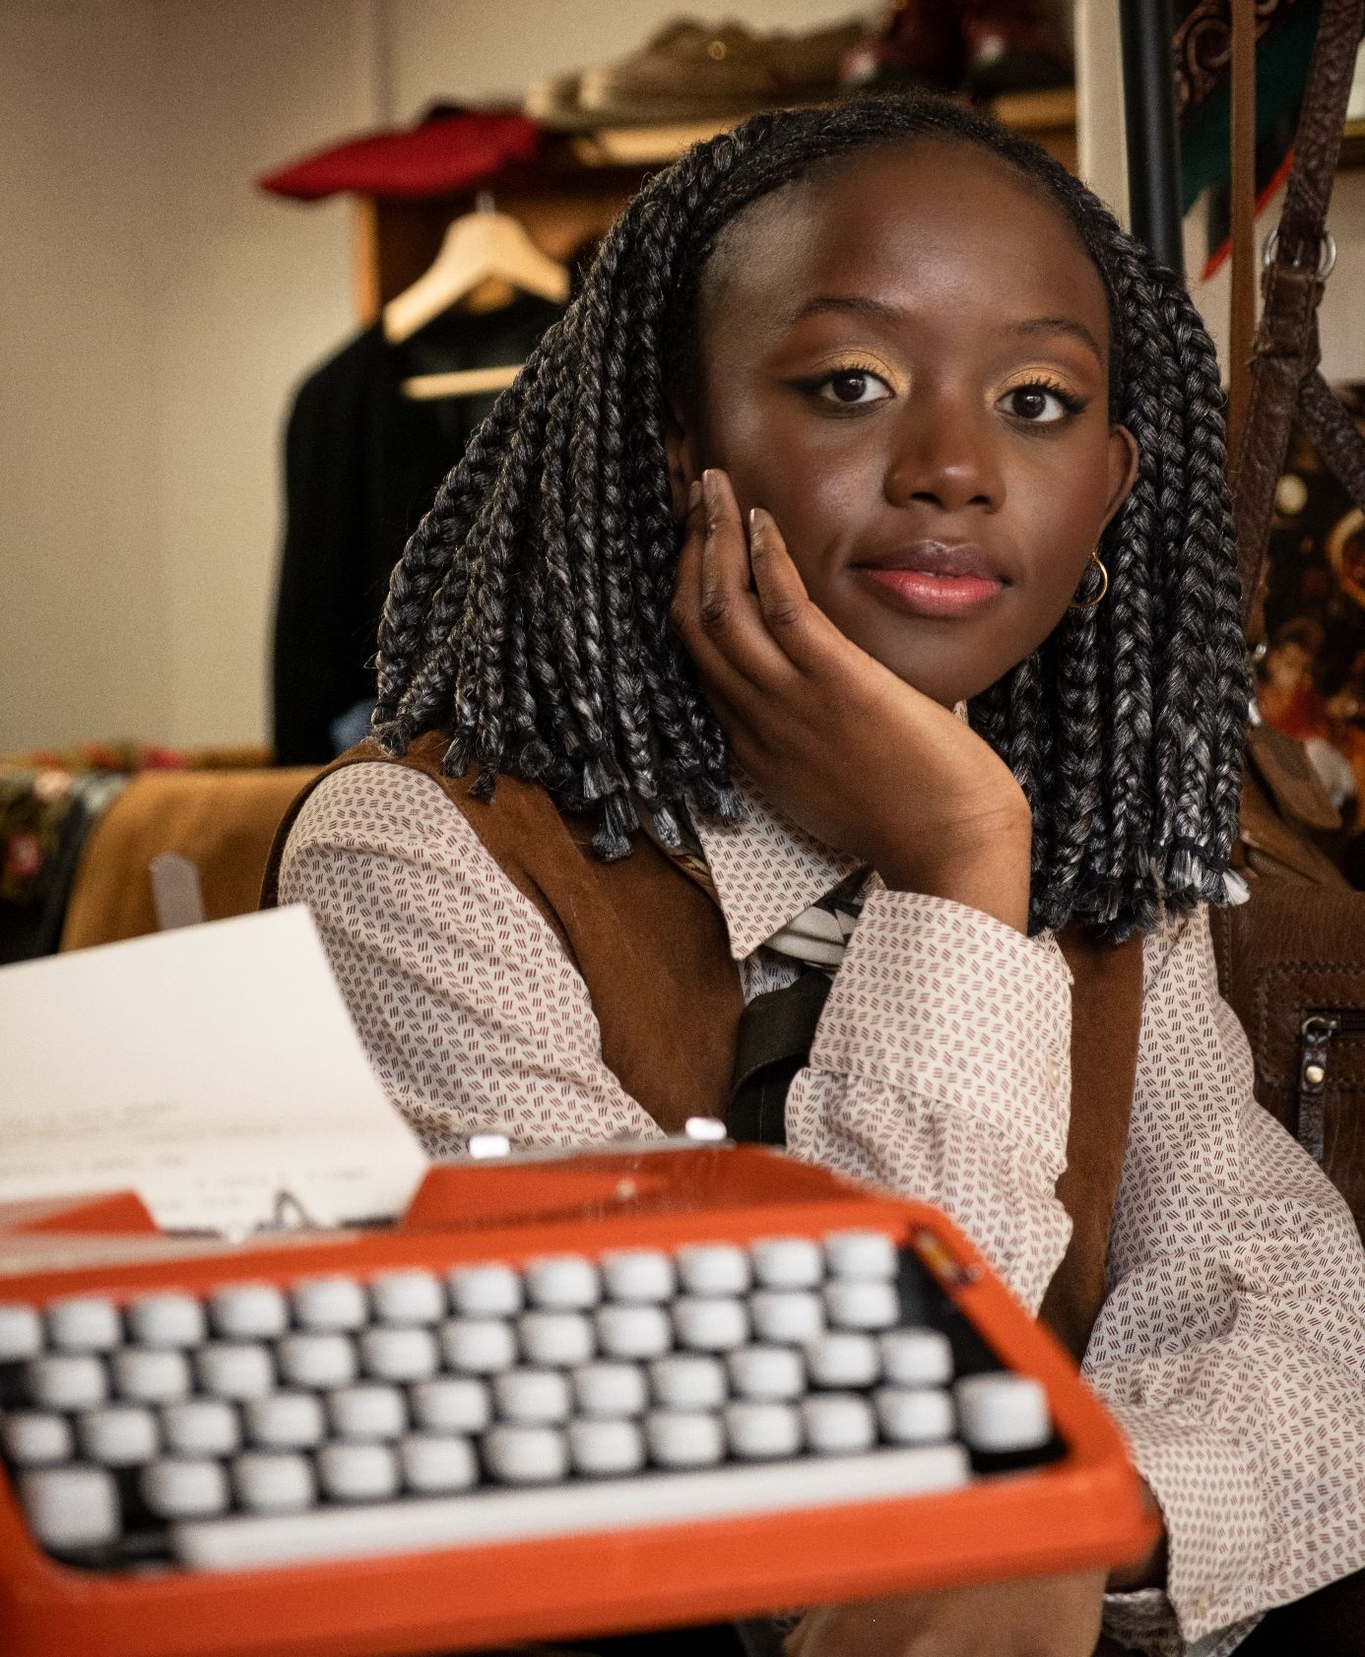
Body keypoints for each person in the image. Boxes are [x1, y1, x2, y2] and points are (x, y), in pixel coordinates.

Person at [272, 97, 1365, 1657]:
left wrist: (1080, 1524)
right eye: (850, 383)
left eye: (1037, 402)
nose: (952, 469)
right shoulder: (420, 855)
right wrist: (951, 865)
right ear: (679, 441)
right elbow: (794, 1438)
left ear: (1111, 488)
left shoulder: (1108, 868)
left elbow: (1298, 1329)